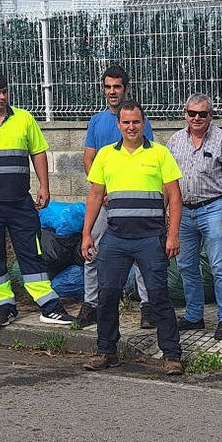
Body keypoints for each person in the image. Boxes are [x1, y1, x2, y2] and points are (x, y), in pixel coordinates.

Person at [0, 70, 74, 327]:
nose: (2, 97)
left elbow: (38, 153)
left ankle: (49, 306)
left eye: (5, 91)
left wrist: (44, 186)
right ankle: (4, 307)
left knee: (32, 251)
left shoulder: (24, 119)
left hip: (20, 201)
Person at [80, 101, 184, 375]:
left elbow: (175, 197)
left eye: (136, 122)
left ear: (143, 123)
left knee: (158, 295)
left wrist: (173, 234)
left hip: (151, 238)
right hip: (115, 239)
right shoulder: (105, 155)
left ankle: (172, 355)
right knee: (107, 295)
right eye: (126, 122)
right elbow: (94, 196)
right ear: (119, 125)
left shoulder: (160, 154)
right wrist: (86, 234)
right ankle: (106, 351)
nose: (131, 127)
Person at [78, 65, 156, 330]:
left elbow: (148, 158)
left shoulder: (141, 121)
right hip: (105, 203)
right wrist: (105, 192)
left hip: (134, 205)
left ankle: (148, 308)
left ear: (127, 89)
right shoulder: (97, 122)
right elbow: (89, 160)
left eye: (117, 87)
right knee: (93, 251)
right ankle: (91, 305)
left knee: (142, 255)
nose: (112, 92)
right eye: (108, 87)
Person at [166, 93, 222, 341]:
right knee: (186, 266)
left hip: (213, 208)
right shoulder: (174, 141)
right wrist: (167, 212)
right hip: (184, 211)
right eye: (192, 113)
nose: (197, 118)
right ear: (184, 114)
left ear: (211, 115)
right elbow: (168, 181)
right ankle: (194, 316)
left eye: (202, 114)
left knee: (219, 266)